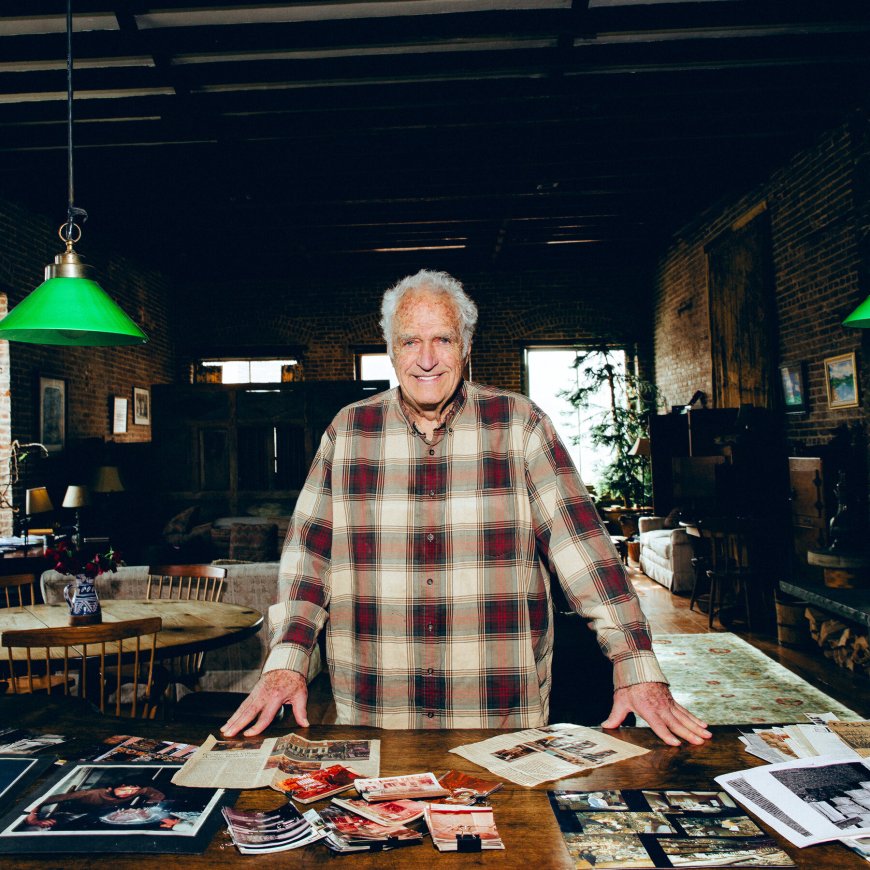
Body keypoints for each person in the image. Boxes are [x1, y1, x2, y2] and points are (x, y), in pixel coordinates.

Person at [222, 269, 711, 746]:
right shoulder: (348, 432)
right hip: (377, 716)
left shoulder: (521, 425)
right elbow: (310, 562)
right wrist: (287, 662)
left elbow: (586, 554)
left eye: (444, 340)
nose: (427, 359)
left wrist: (635, 665)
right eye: (410, 341)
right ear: (391, 350)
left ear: (468, 347)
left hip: (501, 718)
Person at [23, 778, 165, 829]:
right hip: (70, 815)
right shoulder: (91, 793)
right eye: (126, 787)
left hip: (99, 817)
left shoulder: (137, 792)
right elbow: (39, 799)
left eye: (134, 790)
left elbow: (153, 793)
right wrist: (33, 817)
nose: (129, 792)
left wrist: (150, 804)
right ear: (115, 786)